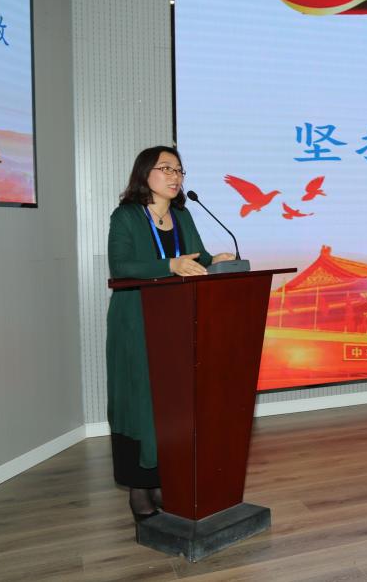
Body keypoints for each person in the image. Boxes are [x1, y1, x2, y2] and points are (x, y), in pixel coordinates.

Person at [106, 146, 234, 522]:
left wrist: (214, 261)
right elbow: (122, 265)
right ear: (145, 173)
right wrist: (170, 265)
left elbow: (195, 257)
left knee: (170, 404)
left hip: (176, 323)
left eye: (179, 170)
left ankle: (163, 478)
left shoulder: (182, 215)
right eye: (166, 169)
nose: (175, 176)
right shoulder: (126, 216)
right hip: (136, 321)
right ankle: (139, 490)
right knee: (141, 402)